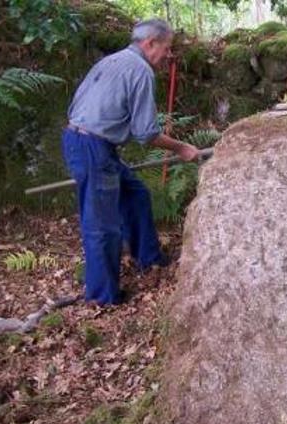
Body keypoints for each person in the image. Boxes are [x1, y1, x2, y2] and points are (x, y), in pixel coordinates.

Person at [62, 19, 199, 305]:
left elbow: (75, 105)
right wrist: (181, 148)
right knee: (102, 224)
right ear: (150, 43)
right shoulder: (140, 70)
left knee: (135, 195)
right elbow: (146, 133)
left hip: (86, 141)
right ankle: (102, 296)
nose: (168, 56)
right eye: (167, 48)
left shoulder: (111, 61)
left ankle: (149, 259)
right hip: (92, 147)